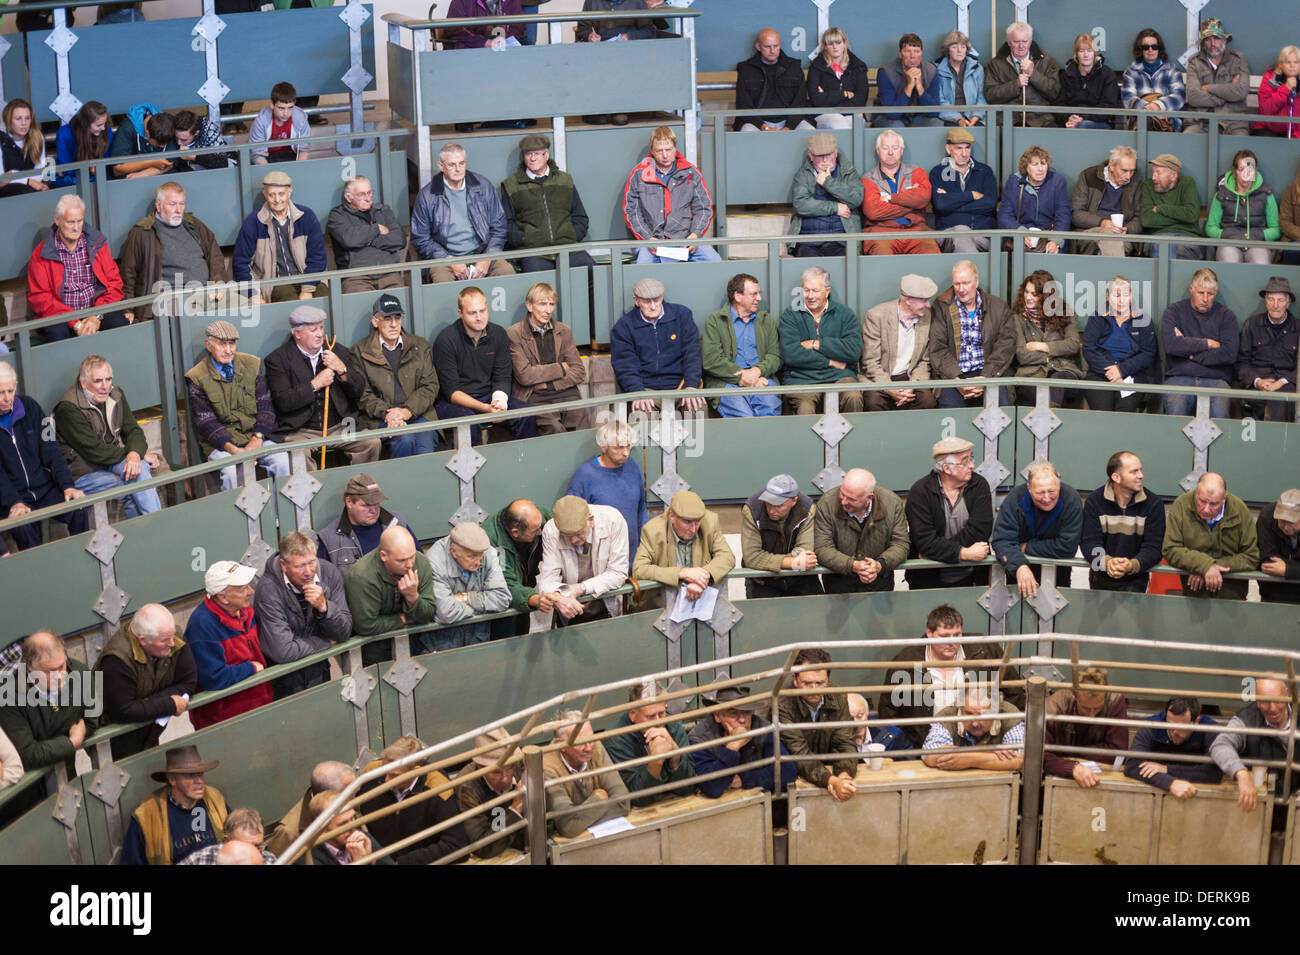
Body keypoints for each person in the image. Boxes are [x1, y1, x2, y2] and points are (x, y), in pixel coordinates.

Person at [875, 605, 1022, 753]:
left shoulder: (986, 650)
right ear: (929, 633)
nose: (952, 642)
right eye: (944, 636)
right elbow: (889, 712)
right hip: (926, 746)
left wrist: (999, 733)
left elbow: (1014, 692)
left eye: (957, 635)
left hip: (983, 743)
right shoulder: (905, 662)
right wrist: (911, 749)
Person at [264, 305, 382, 464]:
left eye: (321, 328)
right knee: (298, 456)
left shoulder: (337, 351)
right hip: (301, 430)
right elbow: (283, 401)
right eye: (313, 330)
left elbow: (358, 390)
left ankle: (358, 486)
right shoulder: (278, 360)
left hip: (340, 425)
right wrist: (314, 384)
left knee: (371, 443)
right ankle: (312, 489)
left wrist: (343, 371)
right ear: (297, 333)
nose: (320, 334)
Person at [184, 319, 290, 490]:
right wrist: (236, 452)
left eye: (232, 344)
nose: (228, 350)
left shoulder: (251, 365)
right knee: (231, 472)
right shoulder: (196, 377)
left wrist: (255, 441)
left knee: (281, 459)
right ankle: (235, 517)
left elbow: (266, 408)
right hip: (222, 445)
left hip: (255, 438)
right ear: (209, 345)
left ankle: (282, 513)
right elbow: (207, 423)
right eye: (222, 344)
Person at [54, 355, 165, 517]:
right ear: (84, 383)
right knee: (134, 481)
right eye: (98, 381)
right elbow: (95, 451)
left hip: (111, 462)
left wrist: (135, 454)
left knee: (138, 472)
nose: (105, 386)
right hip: (84, 472)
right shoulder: (68, 408)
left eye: (108, 379)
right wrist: (132, 456)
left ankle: (148, 534)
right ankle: (157, 528)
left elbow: (134, 431)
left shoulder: (116, 395)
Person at [432, 286, 537, 444]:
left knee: (526, 414)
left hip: (488, 396)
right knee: (467, 421)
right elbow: (451, 392)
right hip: (454, 403)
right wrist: (485, 408)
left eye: (482, 310)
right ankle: (469, 469)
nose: (479, 317)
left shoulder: (499, 334)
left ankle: (521, 462)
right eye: (472, 313)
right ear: (460, 313)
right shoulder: (446, 340)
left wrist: (499, 403)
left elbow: (502, 376)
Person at [253, 531, 351, 699]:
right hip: (282, 682)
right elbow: (282, 651)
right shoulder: (268, 590)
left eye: (311, 562)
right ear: (284, 565)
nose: (308, 572)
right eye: (299, 566)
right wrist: (326, 642)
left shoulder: (328, 572)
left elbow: (344, 631)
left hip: (320, 672)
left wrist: (324, 608)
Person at [0, 363, 87, 551]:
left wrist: (67, 485)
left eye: (10, 391)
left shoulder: (30, 407)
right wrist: (13, 501)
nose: (7, 398)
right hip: (12, 497)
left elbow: (52, 450)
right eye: (0, 393)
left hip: (44, 489)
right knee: (23, 528)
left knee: (78, 509)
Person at [96, 602, 196, 759]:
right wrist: (169, 704)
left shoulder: (170, 635)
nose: (172, 643)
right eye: (164, 640)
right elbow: (123, 711)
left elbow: (189, 683)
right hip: (116, 739)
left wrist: (149, 704)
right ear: (143, 640)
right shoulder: (117, 660)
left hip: (150, 729)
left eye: (172, 637)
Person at [120, 181, 228, 322]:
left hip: (207, 294)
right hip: (170, 300)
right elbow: (128, 274)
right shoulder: (142, 233)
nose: (178, 210)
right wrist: (128, 309)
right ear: (158, 205)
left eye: (181, 204)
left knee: (249, 307)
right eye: (172, 204)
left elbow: (215, 256)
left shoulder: (193, 224)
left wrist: (218, 281)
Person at [27, 195, 129, 341]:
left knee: (119, 324)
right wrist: (75, 323)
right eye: (70, 222)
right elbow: (40, 298)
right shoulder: (41, 253)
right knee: (57, 334)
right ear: (58, 220)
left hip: (96, 309)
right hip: (60, 315)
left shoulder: (97, 244)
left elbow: (114, 283)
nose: (76, 227)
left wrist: (96, 316)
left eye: (79, 221)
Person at [0, 632, 98, 782]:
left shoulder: (79, 672)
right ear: (30, 667)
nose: (59, 676)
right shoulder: (9, 696)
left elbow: (91, 721)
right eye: (50, 671)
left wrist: (51, 747)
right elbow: (27, 755)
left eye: (62, 666)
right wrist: (72, 741)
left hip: (68, 776)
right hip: (30, 788)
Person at [185, 559, 271, 728]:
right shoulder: (201, 626)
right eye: (243, 588)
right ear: (223, 597)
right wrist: (251, 668)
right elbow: (213, 678)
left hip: (259, 705)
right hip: (224, 721)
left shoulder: (247, 611)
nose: (251, 591)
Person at [411, 143, 514, 283]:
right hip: (444, 258)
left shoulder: (483, 186)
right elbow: (421, 238)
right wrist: (450, 261)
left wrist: (487, 258)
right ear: (441, 166)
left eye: (461, 163)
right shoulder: (427, 196)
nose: (458, 169)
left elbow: (499, 228)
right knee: (442, 279)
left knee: (506, 271)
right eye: (452, 165)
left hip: (481, 253)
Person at [352, 294, 440, 458]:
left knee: (424, 444)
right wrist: (389, 415)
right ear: (375, 321)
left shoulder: (419, 345)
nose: (393, 324)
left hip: (419, 413)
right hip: (381, 418)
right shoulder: (360, 351)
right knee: (404, 439)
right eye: (387, 318)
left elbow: (430, 386)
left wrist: (407, 411)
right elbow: (363, 396)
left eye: (397, 317)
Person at [357, 736, 468, 864]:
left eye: (394, 775)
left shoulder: (438, 788)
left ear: (416, 771)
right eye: (385, 771)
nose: (386, 780)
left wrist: (406, 862)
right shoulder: (372, 773)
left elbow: (456, 845)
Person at [499, 133, 596, 273]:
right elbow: (507, 223)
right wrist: (524, 239)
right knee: (538, 284)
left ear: (546, 155)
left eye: (537, 153)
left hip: (567, 248)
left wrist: (572, 235)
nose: (532, 158)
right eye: (528, 154)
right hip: (533, 252)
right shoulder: (511, 186)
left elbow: (580, 216)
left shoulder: (565, 180)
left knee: (591, 272)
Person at [621, 126, 720, 263]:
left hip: (686, 238)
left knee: (714, 261)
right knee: (643, 267)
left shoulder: (691, 173)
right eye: (659, 151)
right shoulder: (638, 174)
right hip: (652, 242)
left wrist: (695, 235)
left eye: (668, 150)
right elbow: (631, 211)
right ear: (652, 151)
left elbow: (703, 208)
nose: (665, 155)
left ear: (675, 148)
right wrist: (647, 238)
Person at [904, 437, 992, 590]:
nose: (971, 465)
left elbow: (980, 532)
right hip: (927, 581)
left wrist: (936, 551)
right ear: (946, 468)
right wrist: (962, 553)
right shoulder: (920, 492)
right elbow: (925, 541)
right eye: (964, 462)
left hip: (972, 578)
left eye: (971, 458)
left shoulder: (980, 485)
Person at [530, 495, 629, 630]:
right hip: (568, 610)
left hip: (606, 606)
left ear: (591, 520)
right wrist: (559, 597)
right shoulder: (551, 529)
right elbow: (547, 581)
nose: (573, 540)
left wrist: (579, 588)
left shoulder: (613, 520)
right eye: (566, 535)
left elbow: (618, 573)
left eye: (579, 533)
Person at [505, 281, 592, 434]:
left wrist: (548, 385)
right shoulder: (514, 333)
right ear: (530, 306)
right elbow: (525, 376)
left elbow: (579, 371)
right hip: (534, 395)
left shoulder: (564, 330)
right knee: (554, 427)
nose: (548, 310)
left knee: (582, 424)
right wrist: (560, 368)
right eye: (542, 304)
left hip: (565, 391)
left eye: (551, 304)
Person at [119, 745, 228, 865]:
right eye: (190, 776)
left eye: (201, 774)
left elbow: (238, 838)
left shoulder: (214, 798)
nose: (199, 781)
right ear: (172, 780)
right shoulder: (147, 815)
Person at [609, 277, 705, 413]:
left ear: (662, 297)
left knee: (697, 407)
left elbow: (692, 354)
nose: (653, 306)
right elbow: (625, 366)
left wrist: (691, 386)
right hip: (646, 390)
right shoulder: (624, 327)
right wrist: (638, 392)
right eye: (647, 302)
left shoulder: (682, 316)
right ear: (636, 301)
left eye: (657, 300)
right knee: (641, 413)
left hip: (681, 386)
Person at [928, 259, 1016, 408]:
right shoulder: (942, 307)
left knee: (1002, 412)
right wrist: (957, 381)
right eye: (957, 284)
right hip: (954, 375)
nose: (961, 289)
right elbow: (938, 348)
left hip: (989, 373)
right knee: (951, 413)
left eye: (966, 283)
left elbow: (1005, 346)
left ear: (976, 282)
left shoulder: (998, 307)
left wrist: (984, 378)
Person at [778, 265, 865, 415]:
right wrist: (830, 362)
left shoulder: (844, 314)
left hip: (841, 376)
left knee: (853, 397)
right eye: (806, 290)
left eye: (815, 291)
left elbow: (853, 351)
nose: (810, 296)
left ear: (827, 291)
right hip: (801, 378)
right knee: (805, 406)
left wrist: (817, 344)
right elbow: (791, 354)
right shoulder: (791, 315)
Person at [344, 525, 438, 663]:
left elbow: (428, 614)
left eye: (412, 557)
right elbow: (366, 626)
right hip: (374, 654)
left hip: (416, 645)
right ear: (383, 556)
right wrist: (403, 619)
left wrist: (412, 597)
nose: (410, 565)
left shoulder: (421, 563)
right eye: (402, 560)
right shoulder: (361, 577)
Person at [232, 171, 328, 303]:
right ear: (265, 194)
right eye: (272, 195)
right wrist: (253, 295)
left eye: (281, 194)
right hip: (275, 284)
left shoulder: (307, 216)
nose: (277, 200)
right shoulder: (253, 222)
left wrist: (307, 289)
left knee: (324, 298)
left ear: (289, 192)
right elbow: (240, 263)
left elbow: (318, 257)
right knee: (289, 300)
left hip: (308, 278)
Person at [991, 461, 1083, 598]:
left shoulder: (1071, 499)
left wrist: (1026, 547)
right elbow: (1002, 540)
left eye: (1052, 491)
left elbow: (1067, 547)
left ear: (1059, 486)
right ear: (1029, 488)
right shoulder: (1015, 499)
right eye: (1040, 492)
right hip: (1019, 573)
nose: (1046, 498)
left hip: (1058, 574)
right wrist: (1019, 566)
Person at [1163, 472, 1259, 600]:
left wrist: (1210, 567)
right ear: (1196, 493)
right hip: (1193, 594)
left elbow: (1251, 557)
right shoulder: (1181, 505)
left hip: (1232, 596)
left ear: (1224, 500)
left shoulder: (1239, 510)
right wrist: (1203, 565)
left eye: (1214, 504)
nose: (1207, 509)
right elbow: (1170, 549)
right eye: (1202, 501)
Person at [779, 647, 859, 800]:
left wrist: (844, 775)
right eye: (807, 683)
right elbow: (799, 753)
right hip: (796, 778)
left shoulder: (837, 696)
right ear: (795, 679)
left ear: (828, 680)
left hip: (830, 772)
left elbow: (845, 741)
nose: (814, 690)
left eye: (820, 683)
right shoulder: (783, 704)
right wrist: (832, 781)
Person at [813, 468, 909, 595]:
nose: (843, 502)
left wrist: (879, 565)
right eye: (842, 494)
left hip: (880, 588)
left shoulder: (893, 504)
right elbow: (822, 548)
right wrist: (852, 565)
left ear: (869, 497)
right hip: (839, 589)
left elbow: (901, 544)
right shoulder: (826, 503)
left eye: (851, 499)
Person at [1081, 451, 1165, 594]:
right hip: (1099, 579)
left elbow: (1154, 547)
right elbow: (1089, 542)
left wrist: (1131, 565)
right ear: (1116, 477)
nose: (1141, 475)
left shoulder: (1153, 504)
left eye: (1140, 470)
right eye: (1134, 472)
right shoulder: (1094, 501)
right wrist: (1107, 563)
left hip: (1137, 581)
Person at [632, 490, 735, 607]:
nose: (693, 528)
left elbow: (727, 556)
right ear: (672, 516)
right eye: (687, 522)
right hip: (662, 607)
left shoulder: (710, 522)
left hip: (700, 604)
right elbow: (639, 569)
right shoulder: (653, 531)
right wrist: (682, 573)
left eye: (697, 522)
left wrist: (703, 578)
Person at [689, 685, 796, 796]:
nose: (742, 719)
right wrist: (732, 748)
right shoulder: (700, 737)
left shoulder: (761, 727)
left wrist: (745, 779)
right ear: (717, 716)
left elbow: (788, 771)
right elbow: (712, 788)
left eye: (746, 712)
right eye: (733, 713)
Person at [1160, 268, 1239, 418]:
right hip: (1179, 378)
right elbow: (1171, 345)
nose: (1205, 299)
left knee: (1220, 414)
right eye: (1200, 293)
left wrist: (1188, 351)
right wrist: (1207, 343)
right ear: (1191, 289)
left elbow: (1229, 354)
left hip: (1216, 379)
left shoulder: (1227, 316)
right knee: (1175, 411)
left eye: (1210, 294)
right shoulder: (1174, 311)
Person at [701, 273, 782, 417]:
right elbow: (712, 361)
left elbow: (775, 356)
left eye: (759, 294)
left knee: (769, 415)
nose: (759, 298)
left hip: (762, 380)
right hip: (727, 383)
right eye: (753, 294)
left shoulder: (766, 320)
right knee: (744, 418)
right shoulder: (715, 321)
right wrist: (744, 377)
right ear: (737, 296)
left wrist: (756, 371)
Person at [565, 418, 648, 557]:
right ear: (603, 447)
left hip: (632, 557)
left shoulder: (632, 466)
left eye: (628, 446)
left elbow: (641, 509)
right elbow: (573, 520)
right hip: (599, 562)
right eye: (619, 447)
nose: (626, 453)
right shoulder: (584, 475)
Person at [541, 710, 631, 837]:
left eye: (591, 739)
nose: (589, 748)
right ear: (562, 745)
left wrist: (581, 817)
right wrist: (598, 799)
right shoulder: (548, 768)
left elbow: (623, 803)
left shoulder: (597, 749)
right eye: (581, 743)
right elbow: (569, 827)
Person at [1211, 677, 1297, 809]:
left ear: (1286, 694)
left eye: (1277, 700)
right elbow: (1220, 745)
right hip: (1261, 809)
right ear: (1257, 701)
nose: (1272, 708)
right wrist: (1240, 772)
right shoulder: (1246, 719)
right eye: (1265, 702)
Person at [604, 681, 694, 805]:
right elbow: (637, 799)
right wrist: (656, 761)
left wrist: (675, 756)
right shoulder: (616, 739)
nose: (658, 722)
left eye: (661, 713)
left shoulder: (673, 727)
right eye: (650, 716)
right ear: (632, 714)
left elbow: (689, 788)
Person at [426, 522, 511, 648]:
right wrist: (482, 608)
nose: (478, 562)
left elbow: (502, 599)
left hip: (478, 639)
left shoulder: (489, 553)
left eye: (481, 556)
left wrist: (466, 598)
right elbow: (444, 612)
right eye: (471, 557)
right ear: (454, 552)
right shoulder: (435, 561)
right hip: (442, 644)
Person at [860, 273, 937, 411]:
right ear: (908, 300)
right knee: (873, 402)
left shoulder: (927, 318)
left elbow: (925, 361)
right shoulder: (876, 316)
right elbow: (870, 362)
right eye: (924, 300)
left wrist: (913, 385)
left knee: (928, 401)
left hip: (910, 377)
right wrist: (889, 388)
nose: (928, 305)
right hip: (881, 376)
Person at [1081, 275, 1157, 413]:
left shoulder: (1143, 319)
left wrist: (1121, 370)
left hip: (1133, 375)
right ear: (1108, 296)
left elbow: (1148, 353)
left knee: (1124, 409)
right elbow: (1088, 348)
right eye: (1116, 296)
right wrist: (1110, 371)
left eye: (1126, 295)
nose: (1121, 301)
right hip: (1100, 374)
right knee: (1102, 409)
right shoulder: (1097, 317)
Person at [1043, 667, 1128, 787]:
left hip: (1100, 773)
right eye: (1086, 708)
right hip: (1059, 778)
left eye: (1098, 708)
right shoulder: (1054, 707)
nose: (1091, 716)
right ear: (1074, 696)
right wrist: (1072, 767)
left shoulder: (1115, 700)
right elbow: (1040, 755)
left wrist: (1070, 755)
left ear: (1105, 695)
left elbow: (1118, 752)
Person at [740, 473, 820, 599]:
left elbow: (805, 553)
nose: (771, 510)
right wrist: (793, 563)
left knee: (817, 613)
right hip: (763, 579)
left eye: (778, 505)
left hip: (799, 578)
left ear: (794, 500)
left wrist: (767, 563)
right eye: (768, 503)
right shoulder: (752, 510)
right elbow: (752, 557)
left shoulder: (807, 509)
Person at [1123, 697, 1222, 798]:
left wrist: (1166, 769)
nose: (1174, 732)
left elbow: (1213, 773)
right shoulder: (1152, 725)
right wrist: (1170, 783)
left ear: (1196, 721)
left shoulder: (1209, 729)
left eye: (1181, 727)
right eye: (1170, 725)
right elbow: (1132, 765)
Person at [860, 129, 938, 255]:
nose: (890, 152)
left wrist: (890, 198)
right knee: (882, 258)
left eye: (895, 148)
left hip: (916, 231)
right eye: (885, 148)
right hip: (881, 232)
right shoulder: (868, 178)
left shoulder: (916, 172)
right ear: (878, 150)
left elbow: (923, 197)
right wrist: (912, 204)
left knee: (931, 255)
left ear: (901, 151)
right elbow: (873, 211)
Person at [1011, 270, 1083, 404]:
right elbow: (1022, 355)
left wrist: (1041, 346)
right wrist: (1053, 354)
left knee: (1057, 381)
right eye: (1026, 292)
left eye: (1034, 294)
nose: (1028, 297)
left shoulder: (1064, 311)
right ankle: (1051, 413)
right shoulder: (1017, 318)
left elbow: (1073, 345)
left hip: (1063, 370)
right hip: (1032, 374)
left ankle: (1049, 415)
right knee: (1039, 392)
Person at [326, 175, 408, 293]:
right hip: (356, 277)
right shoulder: (338, 215)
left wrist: (370, 240)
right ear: (348, 197)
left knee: (398, 307)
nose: (368, 198)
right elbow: (349, 239)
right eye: (361, 194)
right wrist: (376, 229)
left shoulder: (383, 211)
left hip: (389, 273)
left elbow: (400, 240)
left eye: (370, 193)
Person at [454, 727, 527, 858]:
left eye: (509, 768)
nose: (505, 778)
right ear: (480, 767)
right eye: (496, 772)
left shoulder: (519, 763)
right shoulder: (467, 787)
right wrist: (515, 809)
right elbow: (484, 847)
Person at [263, 760, 355, 861]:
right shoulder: (289, 833)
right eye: (350, 792)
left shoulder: (348, 805)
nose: (356, 794)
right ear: (329, 796)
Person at [789, 132, 863, 258]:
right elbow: (801, 204)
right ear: (810, 155)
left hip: (842, 239)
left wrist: (828, 183)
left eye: (828, 155)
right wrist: (835, 208)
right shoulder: (803, 175)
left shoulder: (848, 171)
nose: (824, 160)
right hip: (809, 240)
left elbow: (856, 199)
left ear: (835, 152)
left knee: (846, 267)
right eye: (819, 156)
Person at [483, 499, 551, 635]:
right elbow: (506, 584)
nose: (541, 532)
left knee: (523, 631)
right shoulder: (492, 544)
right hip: (502, 603)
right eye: (535, 530)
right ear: (515, 532)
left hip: (524, 587)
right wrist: (534, 599)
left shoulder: (539, 518)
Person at [316, 474, 410, 572]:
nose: (374, 510)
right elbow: (324, 582)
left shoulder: (397, 523)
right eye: (367, 505)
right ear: (349, 502)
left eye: (376, 503)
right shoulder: (329, 539)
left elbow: (419, 564)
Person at [922, 686, 1025, 771]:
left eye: (983, 715)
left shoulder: (1008, 714)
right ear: (960, 708)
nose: (975, 724)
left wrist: (970, 759)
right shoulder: (948, 715)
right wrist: (990, 752)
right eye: (969, 714)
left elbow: (1019, 760)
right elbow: (931, 755)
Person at [1238, 276, 1298, 422]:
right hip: (1257, 386)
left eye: (1281, 300)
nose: (1275, 305)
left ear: (1288, 303)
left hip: (1288, 385)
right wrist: (1258, 381)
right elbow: (1241, 363)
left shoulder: (1298, 328)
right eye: (1271, 299)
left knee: (1280, 399)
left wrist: (1281, 381)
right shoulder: (1251, 325)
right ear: (1265, 300)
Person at [928, 127, 997, 253]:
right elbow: (941, 205)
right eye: (959, 148)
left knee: (963, 234)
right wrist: (971, 195)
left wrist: (952, 200)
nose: (964, 153)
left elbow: (990, 204)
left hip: (982, 235)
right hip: (949, 234)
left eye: (967, 148)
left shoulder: (984, 171)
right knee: (961, 231)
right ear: (948, 149)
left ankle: (970, 271)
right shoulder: (938, 172)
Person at [1207, 149, 1281, 264]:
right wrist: (1228, 235)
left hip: (1257, 244)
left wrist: (1254, 236)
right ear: (1235, 171)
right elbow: (1210, 227)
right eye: (1241, 169)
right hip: (1230, 243)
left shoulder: (1266, 193)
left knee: (1261, 263)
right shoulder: (1222, 194)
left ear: (1255, 171)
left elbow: (1276, 230)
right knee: (1229, 262)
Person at [983, 21, 1061, 127]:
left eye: (1025, 41)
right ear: (1008, 42)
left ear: (1031, 41)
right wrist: (1015, 84)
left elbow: (1054, 92)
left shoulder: (1047, 61)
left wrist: (1033, 74)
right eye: (1016, 41)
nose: (1021, 46)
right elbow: (990, 95)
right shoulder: (996, 64)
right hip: (1008, 121)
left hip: (1040, 119)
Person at [733, 28, 813, 131]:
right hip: (757, 123)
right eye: (767, 46)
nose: (772, 51)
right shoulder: (745, 69)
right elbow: (744, 105)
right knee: (747, 131)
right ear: (758, 47)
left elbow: (800, 102)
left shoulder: (794, 67)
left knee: (810, 131)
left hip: (789, 121)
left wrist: (788, 127)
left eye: (776, 46)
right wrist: (763, 126)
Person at [996, 145, 1071, 253]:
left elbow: (1063, 215)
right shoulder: (1014, 181)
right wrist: (1021, 232)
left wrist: (1055, 241)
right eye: (1035, 164)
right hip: (1021, 234)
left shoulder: (1057, 181)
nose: (1040, 169)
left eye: (1043, 164)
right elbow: (1004, 215)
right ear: (1026, 167)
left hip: (1049, 234)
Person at [1070, 145, 1142, 257]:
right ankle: (1115, 274)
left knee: (1107, 245)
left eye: (1132, 171)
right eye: (1124, 170)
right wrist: (1103, 223)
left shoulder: (1136, 181)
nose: (1128, 176)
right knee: (1109, 235)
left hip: (1123, 236)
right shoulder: (1088, 176)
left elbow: (1139, 218)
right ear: (1111, 165)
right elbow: (1076, 214)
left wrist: (1126, 229)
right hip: (1089, 232)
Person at [1184, 18, 1250, 136]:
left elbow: (1241, 92)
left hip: (1234, 123)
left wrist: (1209, 88)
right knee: (1187, 140)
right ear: (1203, 42)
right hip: (1201, 123)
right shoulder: (1194, 62)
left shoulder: (1238, 60)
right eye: (1208, 39)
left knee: (1242, 147)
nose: (1213, 43)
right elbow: (1193, 96)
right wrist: (1225, 97)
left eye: (1217, 38)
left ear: (1224, 39)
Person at [1140, 153, 1203, 260]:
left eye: (1158, 173)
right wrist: (1182, 218)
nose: (1153, 177)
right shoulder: (1148, 185)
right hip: (1158, 237)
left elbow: (1191, 215)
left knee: (1180, 249)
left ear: (1173, 176)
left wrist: (1161, 209)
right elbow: (1147, 220)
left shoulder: (1187, 183)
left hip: (1186, 237)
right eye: (1153, 172)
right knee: (1161, 247)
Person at [303, 792, 393, 866]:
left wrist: (371, 861)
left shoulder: (360, 836)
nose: (352, 827)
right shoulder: (308, 858)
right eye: (343, 824)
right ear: (321, 830)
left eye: (353, 818)